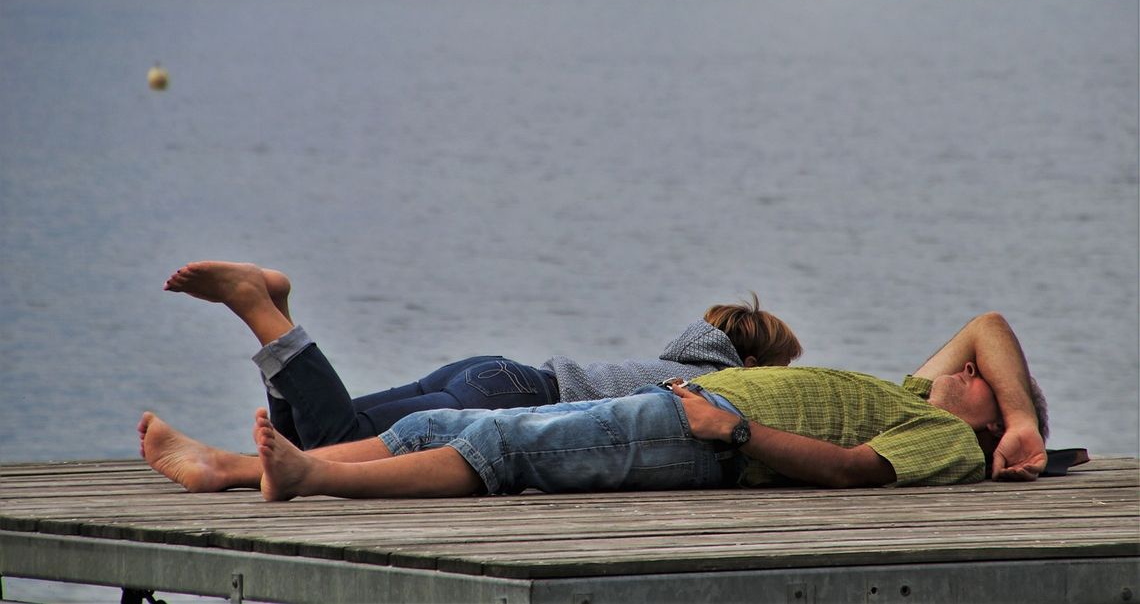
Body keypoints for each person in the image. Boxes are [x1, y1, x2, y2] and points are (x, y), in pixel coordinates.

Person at [138, 311, 1049, 499]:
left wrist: (732, 427)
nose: (967, 367)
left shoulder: (941, 436)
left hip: (700, 436)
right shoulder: (915, 395)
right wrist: (1023, 422)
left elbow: (855, 472)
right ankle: (232, 467)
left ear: (970, 408)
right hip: (679, 407)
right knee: (440, 428)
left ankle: (304, 474)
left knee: (507, 453)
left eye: (980, 382)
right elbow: (985, 323)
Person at [161, 261, 802, 451]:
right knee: (337, 440)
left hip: (495, 374)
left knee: (309, 441)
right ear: (756, 370)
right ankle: (256, 305)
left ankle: (276, 308)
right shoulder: (714, 389)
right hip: (512, 401)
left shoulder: (674, 364)